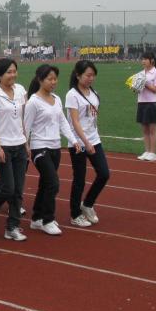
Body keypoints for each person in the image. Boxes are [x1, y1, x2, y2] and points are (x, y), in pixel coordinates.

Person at [24, 64, 79, 236]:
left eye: (55, 79)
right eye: (50, 79)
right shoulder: (33, 102)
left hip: (55, 147)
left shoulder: (57, 99)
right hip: (40, 147)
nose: (53, 82)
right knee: (53, 183)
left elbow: (62, 122)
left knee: (45, 183)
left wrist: (73, 140)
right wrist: (25, 147)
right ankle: (47, 219)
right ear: (40, 80)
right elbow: (26, 127)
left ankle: (36, 218)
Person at [0, 59, 29, 242]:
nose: (13, 75)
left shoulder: (21, 90)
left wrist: (26, 142)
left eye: (14, 71)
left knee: (18, 190)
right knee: (8, 188)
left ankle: (12, 227)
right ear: (0, 75)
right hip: (4, 147)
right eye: (9, 72)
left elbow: (23, 118)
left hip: (20, 145)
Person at [66, 59, 109, 228]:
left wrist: (93, 138)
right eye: (88, 75)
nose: (91, 78)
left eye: (93, 75)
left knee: (104, 173)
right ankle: (75, 214)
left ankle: (88, 204)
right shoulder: (72, 95)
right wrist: (85, 142)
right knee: (79, 178)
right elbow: (75, 121)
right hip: (78, 143)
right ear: (78, 75)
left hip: (94, 139)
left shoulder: (94, 93)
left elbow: (92, 118)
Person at [136, 50, 156, 162]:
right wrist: (135, 86)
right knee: (145, 130)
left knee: (152, 130)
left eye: (145, 59)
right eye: (142, 59)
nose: (143, 61)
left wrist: (146, 83)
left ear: (152, 61)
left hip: (151, 103)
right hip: (141, 102)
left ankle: (153, 153)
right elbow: (137, 90)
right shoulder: (141, 73)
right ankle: (147, 151)